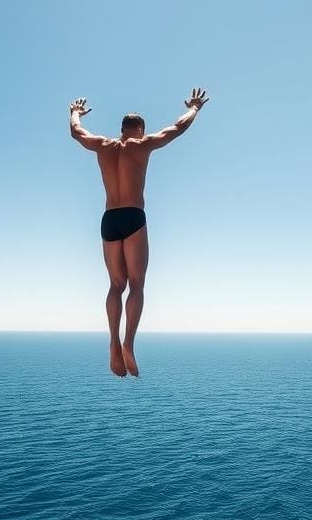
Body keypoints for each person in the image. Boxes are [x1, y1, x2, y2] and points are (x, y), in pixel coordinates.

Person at [69, 88, 209, 377]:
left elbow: (76, 132)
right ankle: (128, 343)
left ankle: (112, 343)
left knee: (115, 286)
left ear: (121, 130)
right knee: (136, 285)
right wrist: (194, 108)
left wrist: (76, 112)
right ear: (140, 130)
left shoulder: (102, 145)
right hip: (133, 216)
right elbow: (177, 127)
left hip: (109, 219)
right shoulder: (143, 144)